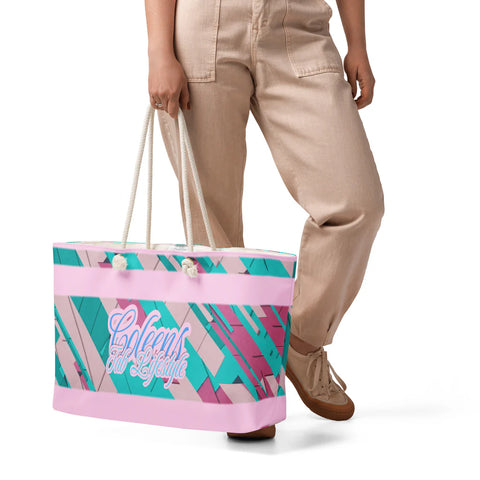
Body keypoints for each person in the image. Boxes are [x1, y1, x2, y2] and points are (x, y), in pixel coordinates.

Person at [145, 0, 384, 439]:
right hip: (205, 27)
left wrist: (358, 43)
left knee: (357, 203)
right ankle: (240, 383)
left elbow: (358, 207)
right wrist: (160, 51)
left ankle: (300, 342)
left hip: (299, 25)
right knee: (212, 221)